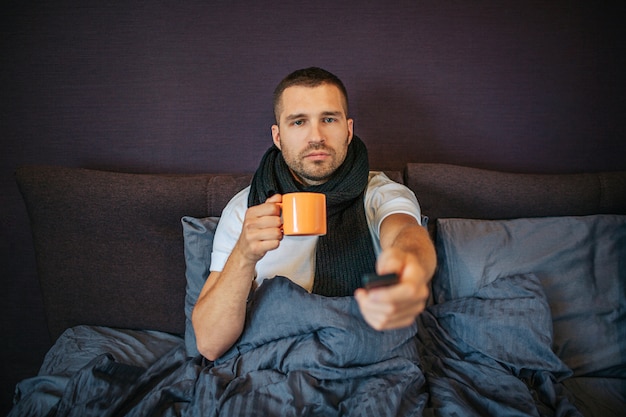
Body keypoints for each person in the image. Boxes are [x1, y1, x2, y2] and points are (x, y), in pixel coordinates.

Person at [192, 67, 436, 361]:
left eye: (328, 119)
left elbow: (405, 233)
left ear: (348, 130)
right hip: (274, 367)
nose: (316, 137)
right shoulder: (245, 209)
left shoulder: (381, 193)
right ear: (278, 136)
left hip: (362, 356)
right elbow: (208, 344)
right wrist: (244, 254)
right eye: (298, 122)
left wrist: (407, 269)